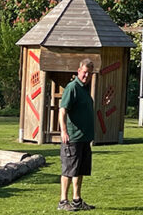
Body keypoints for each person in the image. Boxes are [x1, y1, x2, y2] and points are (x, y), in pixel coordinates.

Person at [58, 58, 96, 211]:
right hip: (72, 137)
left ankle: (76, 200)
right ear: (79, 70)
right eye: (84, 72)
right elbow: (62, 111)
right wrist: (64, 131)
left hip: (84, 137)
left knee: (80, 170)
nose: (86, 76)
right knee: (69, 170)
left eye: (89, 73)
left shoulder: (85, 89)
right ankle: (63, 201)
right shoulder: (72, 87)